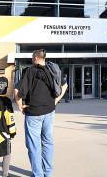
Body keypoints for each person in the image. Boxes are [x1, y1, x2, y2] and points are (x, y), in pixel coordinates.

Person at [15, 49, 68, 177]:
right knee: (47, 142)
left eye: (33, 57)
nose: (32, 59)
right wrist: (55, 101)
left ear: (36, 58)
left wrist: (21, 107)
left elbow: (17, 92)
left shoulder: (29, 71)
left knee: (34, 146)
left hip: (34, 114)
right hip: (49, 112)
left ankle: (38, 174)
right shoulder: (52, 69)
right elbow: (65, 86)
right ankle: (48, 173)